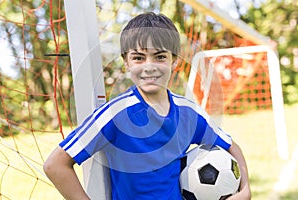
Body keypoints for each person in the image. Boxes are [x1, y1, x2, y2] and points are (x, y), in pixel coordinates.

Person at [43, 12, 251, 200]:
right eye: (138, 58)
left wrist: (245, 190)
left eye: (160, 57)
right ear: (126, 62)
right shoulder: (115, 114)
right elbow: (55, 165)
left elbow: (231, 147)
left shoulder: (188, 113)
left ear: (174, 61)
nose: (149, 66)